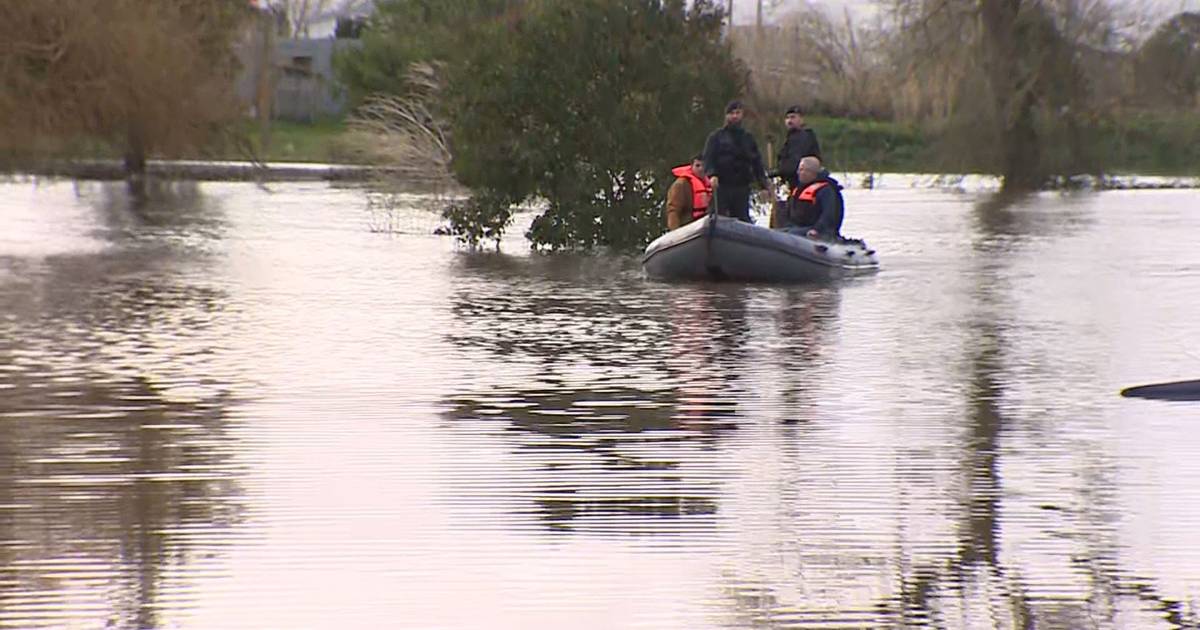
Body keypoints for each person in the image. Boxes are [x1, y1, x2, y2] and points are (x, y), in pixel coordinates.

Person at [702, 100, 770, 223]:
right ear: (726, 116)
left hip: (741, 186)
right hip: (722, 185)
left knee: (742, 219)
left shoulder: (748, 138)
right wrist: (712, 175)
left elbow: (757, 163)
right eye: (731, 113)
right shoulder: (716, 137)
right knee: (717, 218)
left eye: (737, 113)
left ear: (742, 115)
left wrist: (763, 185)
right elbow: (708, 158)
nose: (734, 116)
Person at [781, 156, 843, 240]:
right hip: (797, 228)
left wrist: (816, 229)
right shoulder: (799, 188)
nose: (799, 172)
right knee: (780, 233)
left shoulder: (826, 190)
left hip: (819, 231)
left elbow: (829, 215)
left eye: (802, 170)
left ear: (812, 172)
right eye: (799, 169)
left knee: (790, 234)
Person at [772, 105, 821, 192]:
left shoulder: (803, 136)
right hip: (793, 182)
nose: (789, 121)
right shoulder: (792, 137)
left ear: (801, 119)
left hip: (802, 183)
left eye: (793, 117)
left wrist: (777, 172)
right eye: (787, 118)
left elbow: (795, 162)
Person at [665, 155, 712, 230]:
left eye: (704, 166)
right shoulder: (681, 184)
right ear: (691, 167)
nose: (701, 169)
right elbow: (673, 210)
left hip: (706, 227)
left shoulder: (712, 184)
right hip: (687, 228)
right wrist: (675, 232)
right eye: (697, 166)